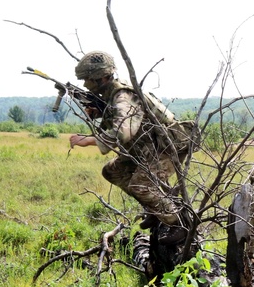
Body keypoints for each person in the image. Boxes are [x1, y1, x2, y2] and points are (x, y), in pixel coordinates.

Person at [67, 51, 187, 244]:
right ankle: (156, 209)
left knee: (141, 186)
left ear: (101, 78)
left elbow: (123, 132)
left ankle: (179, 223)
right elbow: (121, 117)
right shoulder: (112, 93)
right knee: (112, 171)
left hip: (165, 148)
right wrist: (99, 112)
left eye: (88, 79)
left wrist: (89, 140)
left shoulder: (123, 96)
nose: (85, 84)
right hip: (145, 149)